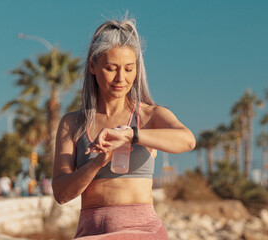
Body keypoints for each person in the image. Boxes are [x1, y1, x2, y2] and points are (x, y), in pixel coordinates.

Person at [51, 16, 195, 239]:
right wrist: (97, 163)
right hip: (90, 232)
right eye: (111, 68)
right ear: (92, 65)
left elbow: (187, 140)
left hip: (143, 232)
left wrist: (132, 135)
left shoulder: (150, 116)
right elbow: (61, 194)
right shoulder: (72, 123)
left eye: (129, 69)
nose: (121, 78)